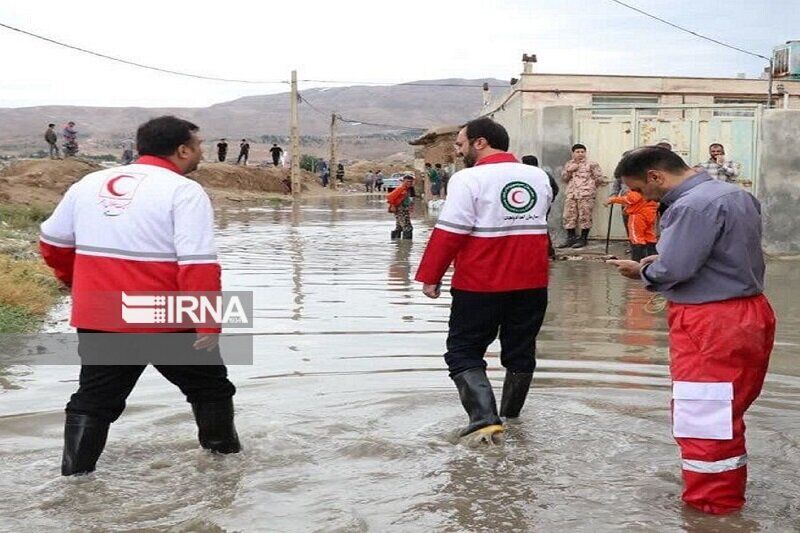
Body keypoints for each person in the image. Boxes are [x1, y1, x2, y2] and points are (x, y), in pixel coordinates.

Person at [39, 115, 241, 476]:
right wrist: (208, 320)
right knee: (211, 391)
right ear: (182, 150)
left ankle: (75, 482)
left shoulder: (89, 183)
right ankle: (223, 472)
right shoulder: (183, 190)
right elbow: (197, 264)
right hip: (162, 314)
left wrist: (74, 281)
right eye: (198, 147)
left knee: (95, 399)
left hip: (99, 312)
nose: (200, 154)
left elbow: (52, 243)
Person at [608, 147, 775, 515]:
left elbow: (676, 270)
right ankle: (727, 497)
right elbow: (719, 254)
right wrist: (662, 260)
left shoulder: (689, 206)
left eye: (645, 191)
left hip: (710, 322)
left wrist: (643, 271)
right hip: (750, 312)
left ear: (656, 176)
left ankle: (710, 510)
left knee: (704, 419)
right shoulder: (735, 195)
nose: (646, 199)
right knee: (728, 412)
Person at [415, 117, 552, 442]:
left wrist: (430, 276)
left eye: (461, 144)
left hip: (480, 283)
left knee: (462, 350)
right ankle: (512, 421)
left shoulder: (468, 179)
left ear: (480, 142)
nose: (458, 151)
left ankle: (484, 420)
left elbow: (450, 231)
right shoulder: (538, 177)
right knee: (521, 352)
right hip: (532, 282)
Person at [559, 143, 603, 248]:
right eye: (577, 152)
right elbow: (564, 179)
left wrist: (590, 187)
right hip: (571, 194)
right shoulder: (569, 164)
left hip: (586, 195)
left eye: (582, 152)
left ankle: (583, 239)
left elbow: (600, 179)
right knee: (569, 216)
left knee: (585, 216)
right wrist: (570, 170)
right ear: (573, 153)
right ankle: (571, 238)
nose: (580, 154)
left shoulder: (592, 164)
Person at [521, 155, 559, 258]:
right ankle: (548, 252)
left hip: (526, 207)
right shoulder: (544, 175)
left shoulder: (523, 176)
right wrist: (549, 201)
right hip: (542, 206)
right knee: (541, 226)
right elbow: (555, 189)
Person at [604, 188, 658, 260]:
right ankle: (652, 259)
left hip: (638, 216)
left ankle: (637, 261)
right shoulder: (650, 186)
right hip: (650, 213)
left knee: (636, 238)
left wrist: (612, 200)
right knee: (649, 236)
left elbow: (631, 199)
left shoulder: (638, 187)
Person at [387, 174, 415, 239]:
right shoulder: (400, 188)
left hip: (404, 208)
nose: (409, 183)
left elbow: (408, 199)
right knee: (408, 227)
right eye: (407, 181)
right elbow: (390, 197)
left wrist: (411, 206)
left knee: (399, 227)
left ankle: (397, 244)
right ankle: (406, 246)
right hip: (400, 209)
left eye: (411, 181)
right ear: (403, 181)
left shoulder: (408, 189)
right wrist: (393, 206)